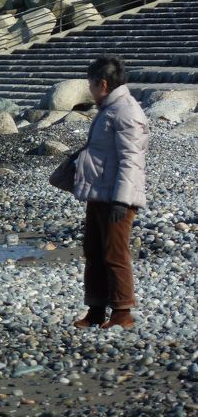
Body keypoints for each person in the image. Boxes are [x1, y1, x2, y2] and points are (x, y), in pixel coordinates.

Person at [73, 56, 149, 330]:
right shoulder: (110, 108)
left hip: (117, 197)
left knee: (115, 254)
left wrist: (121, 199)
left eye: (90, 84)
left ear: (101, 83)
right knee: (93, 251)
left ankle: (122, 313)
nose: (89, 90)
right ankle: (95, 310)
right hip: (99, 193)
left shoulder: (127, 111)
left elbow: (132, 159)